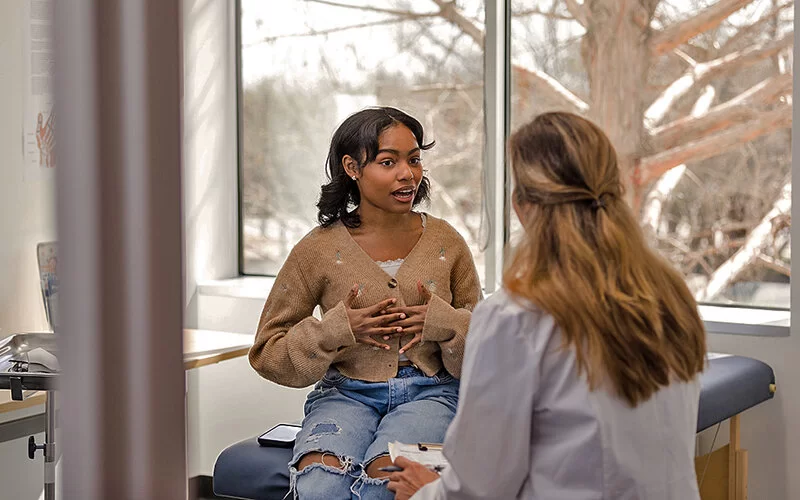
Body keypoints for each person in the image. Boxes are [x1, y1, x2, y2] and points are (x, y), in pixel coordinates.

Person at [387, 111, 707, 500]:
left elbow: (479, 489)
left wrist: (426, 492)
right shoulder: (671, 297)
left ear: (522, 204)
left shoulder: (516, 318)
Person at [248, 106, 482, 500]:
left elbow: (490, 346)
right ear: (352, 168)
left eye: (414, 159)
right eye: (388, 162)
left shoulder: (447, 243)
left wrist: (444, 323)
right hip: (344, 395)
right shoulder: (317, 250)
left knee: (385, 485)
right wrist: (337, 331)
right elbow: (268, 351)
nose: (407, 174)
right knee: (320, 487)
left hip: (432, 392)